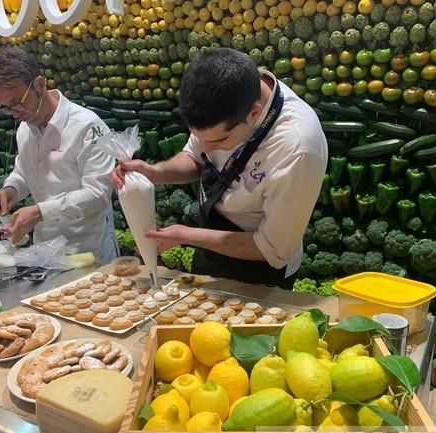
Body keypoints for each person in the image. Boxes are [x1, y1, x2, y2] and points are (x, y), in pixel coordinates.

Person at [112, 48, 327, 289]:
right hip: (210, 245)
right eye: (199, 137)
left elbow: (273, 248)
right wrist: (154, 173)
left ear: (254, 113)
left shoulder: (298, 146)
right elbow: (194, 158)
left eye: (220, 141)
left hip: (260, 268)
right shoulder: (219, 98)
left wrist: (185, 236)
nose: (208, 149)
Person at [0, 47, 118, 264]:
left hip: (88, 253)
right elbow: (24, 170)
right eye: (7, 107)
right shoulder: (26, 128)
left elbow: (98, 194)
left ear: (40, 84)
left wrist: (40, 212)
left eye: (18, 102)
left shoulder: (87, 126)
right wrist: (11, 189)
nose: (16, 113)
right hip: (45, 251)